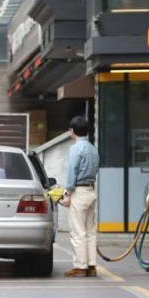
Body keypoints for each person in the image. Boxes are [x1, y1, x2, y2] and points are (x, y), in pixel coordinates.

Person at [63, 116, 100, 277]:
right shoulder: (92, 148)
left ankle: (80, 266)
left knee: (78, 231)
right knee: (90, 231)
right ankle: (92, 266)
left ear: (72, 131)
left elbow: (72, 171)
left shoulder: (76, 148)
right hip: (91, 191)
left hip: (78, 191)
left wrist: (67, 193)